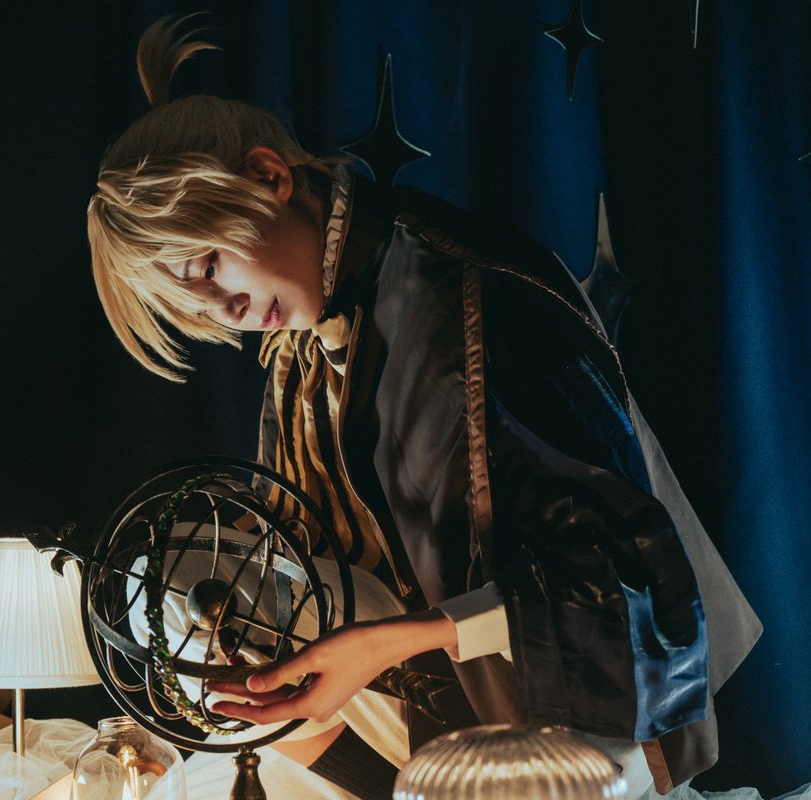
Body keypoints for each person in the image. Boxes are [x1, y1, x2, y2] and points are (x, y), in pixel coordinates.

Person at [87, 16, 761, 799]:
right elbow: (301, 553)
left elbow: (622, 584)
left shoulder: (470, 300)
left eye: (210, 265)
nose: (227, 311)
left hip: (580, 696)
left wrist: (389, 643)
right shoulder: (300, 348)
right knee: (173, 584)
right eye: (195, 305)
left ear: (270, 176)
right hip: (424, 677)